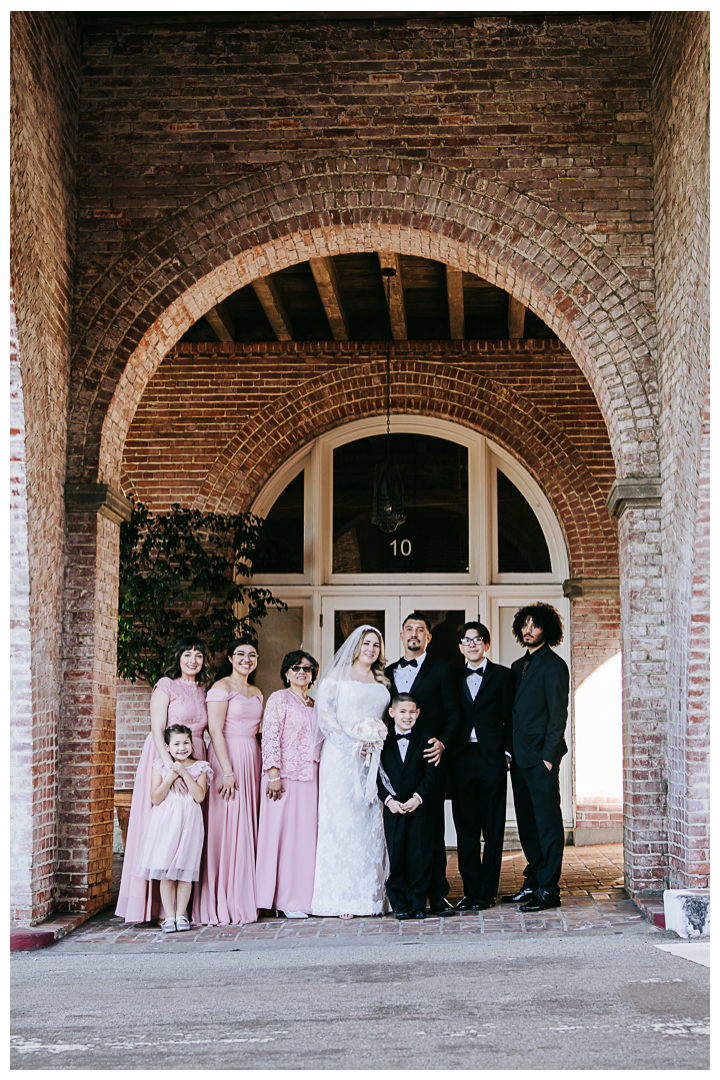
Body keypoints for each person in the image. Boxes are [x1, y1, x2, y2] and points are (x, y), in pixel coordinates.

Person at [115, 635, 210, 924]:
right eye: (187, 655)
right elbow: (156, 729)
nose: (193, 660)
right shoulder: (165, 686)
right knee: (161, 829)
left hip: (194, 755)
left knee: (187, 829)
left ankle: (182, 911)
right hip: (165, 754)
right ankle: (156, 909)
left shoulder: (204, 689)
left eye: (198, 655)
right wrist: (171, 766)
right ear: (178, 658)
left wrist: (189, 766)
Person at [311, 625, 391, 919]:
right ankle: (342, 898)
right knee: (342, 822)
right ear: (355, 646)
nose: (371, 649)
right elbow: (326, 720)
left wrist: (373, 745)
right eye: (366, 643)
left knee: (371, 825)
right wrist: (355, 745)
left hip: (372, 759)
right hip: (342, 759)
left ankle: (372, 895)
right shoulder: (335, 677)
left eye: (376, 645)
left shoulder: (381, 679)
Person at [385, 613, 462, 916]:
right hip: (396, 764)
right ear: (401, 636)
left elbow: (454, 713)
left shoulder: (443, 669)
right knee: (400, 835)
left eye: (420, 630)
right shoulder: (388, 672)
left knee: (432, 832)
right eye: (409, 629)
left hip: (430, 760)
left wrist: (442, 742)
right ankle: (402, 897)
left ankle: (437, 894)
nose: (414, 634)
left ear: (428, 638)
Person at [503, 603, 569, 912]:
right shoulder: (517, 667)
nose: (529, 630)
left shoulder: (554, 665)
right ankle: (534, 880)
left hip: (540, 760)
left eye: (536, 625)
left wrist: (548, 758)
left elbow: (558, 715)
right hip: (518, 759)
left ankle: (548, 890)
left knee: (547, 824)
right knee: (528, 825)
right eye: (525, 625)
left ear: (547, 630)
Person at [448, 621, 514, 910]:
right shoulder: (451, 676)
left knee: (493, 829)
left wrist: (507, 753)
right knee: (466, 830)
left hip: (492, 759)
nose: (472, 644)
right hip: (461, 759)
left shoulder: (504, 676)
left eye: (477, 640)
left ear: (487, 644)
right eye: (466, 640)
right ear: (460, 646)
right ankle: (471, 891)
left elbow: (512, 716)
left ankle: (487, 893)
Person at [199, 638, 263, 926]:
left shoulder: (257, 691)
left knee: (247, 825)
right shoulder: (221, 688)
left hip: (252, 757)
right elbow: (214, 730)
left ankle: (244, 894)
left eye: (252, 655)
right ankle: (222, 899)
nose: (246, 659)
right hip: (227, 759)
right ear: (230, 658)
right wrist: (226, 770)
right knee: (227, 827)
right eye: (240, 654)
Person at [256, 650, 322, 919]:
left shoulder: (315, 704)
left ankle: (302, 897)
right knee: (282, 839)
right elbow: (269, 737)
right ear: (286, 673)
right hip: (282, 779)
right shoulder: (278, 699)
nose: (301, 672)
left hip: (310, 778)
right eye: (296, 668)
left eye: (307, 669)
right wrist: (273, 774)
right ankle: (282, 899)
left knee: (305, 840)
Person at [132, 725, 213, 932]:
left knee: (185, 870)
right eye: (176, 744)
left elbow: (199, 796)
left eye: (186, 742)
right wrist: (170, 776)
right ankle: (169, 916)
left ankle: (181, 915)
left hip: (189, 823)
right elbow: (156, 798)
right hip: (166, 823)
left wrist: (185, 774)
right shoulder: (159, 766)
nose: (182, 747)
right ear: (167, 747)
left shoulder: (200, 767)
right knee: (166, 869)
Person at [377, 693, 438, 920]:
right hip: (393, 809)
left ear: (418, 713)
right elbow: (376, 775)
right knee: (397, 856)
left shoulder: (426, 738)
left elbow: (431, 774)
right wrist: (389, 800)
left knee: (418, 856)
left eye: (412, 712)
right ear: (392, 713)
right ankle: (399, 902)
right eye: (402, 712)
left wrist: (418, 797)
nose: (408, 716)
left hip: (418, 808)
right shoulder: (381, 740)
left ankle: (418, 902)